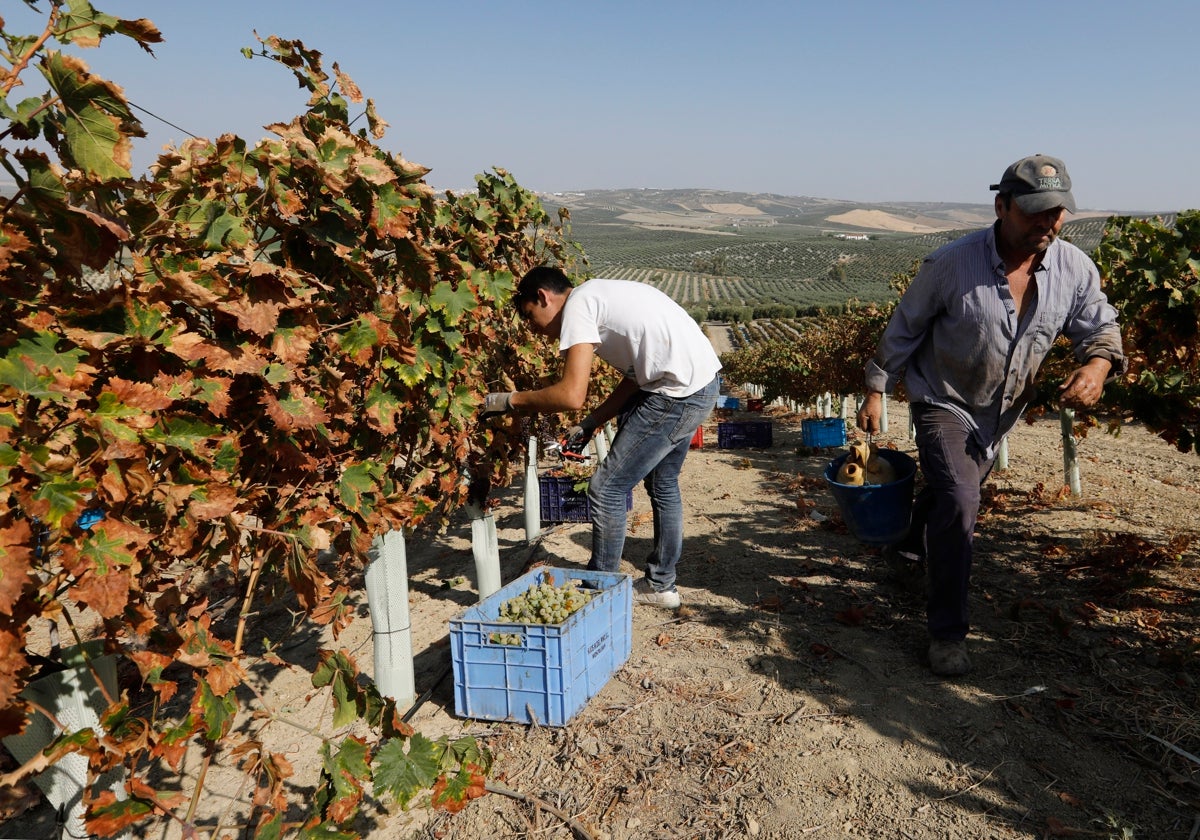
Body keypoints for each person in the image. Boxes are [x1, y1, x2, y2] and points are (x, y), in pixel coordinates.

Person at [857, 154, 1126, 677]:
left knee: (949, 492)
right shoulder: (950, 264)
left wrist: (1096, 366)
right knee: (961, 498)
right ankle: (947, 633)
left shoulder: (1074, 268)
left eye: (1058, 213)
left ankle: (910, 547)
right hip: (943, 399)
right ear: (1002, 206)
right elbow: (904, 329)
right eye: (1035, 212)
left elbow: (1100, 329)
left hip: (1000, 413)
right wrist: (875, 388)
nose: (1048, 223)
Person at [480, 266, 722, 608]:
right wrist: (593, 422)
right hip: (700, 382)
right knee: (663, 484)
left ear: (544, 297)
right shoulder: (599, 297)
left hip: (676, 392)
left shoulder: (578, 306)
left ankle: (600, 592)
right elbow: (637, 375)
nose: (537, 331)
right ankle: (660, 585)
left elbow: (570, 395)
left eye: (532, 317)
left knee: (606, 489)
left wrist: (510, 401)